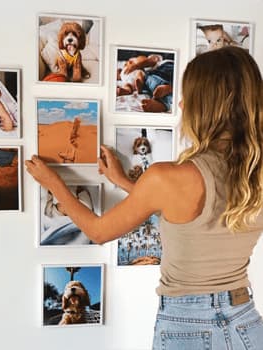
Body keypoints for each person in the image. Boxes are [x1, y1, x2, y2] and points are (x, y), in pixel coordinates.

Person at [25, 46, 263, 349]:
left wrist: (54, 183)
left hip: (187, 326)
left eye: (187, 94)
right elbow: (190, 216)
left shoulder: (169, 177)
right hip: (246, 322)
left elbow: (99, 232)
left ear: (206, 105)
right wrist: (124, 181)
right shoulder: (254, 174)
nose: (180, 102)